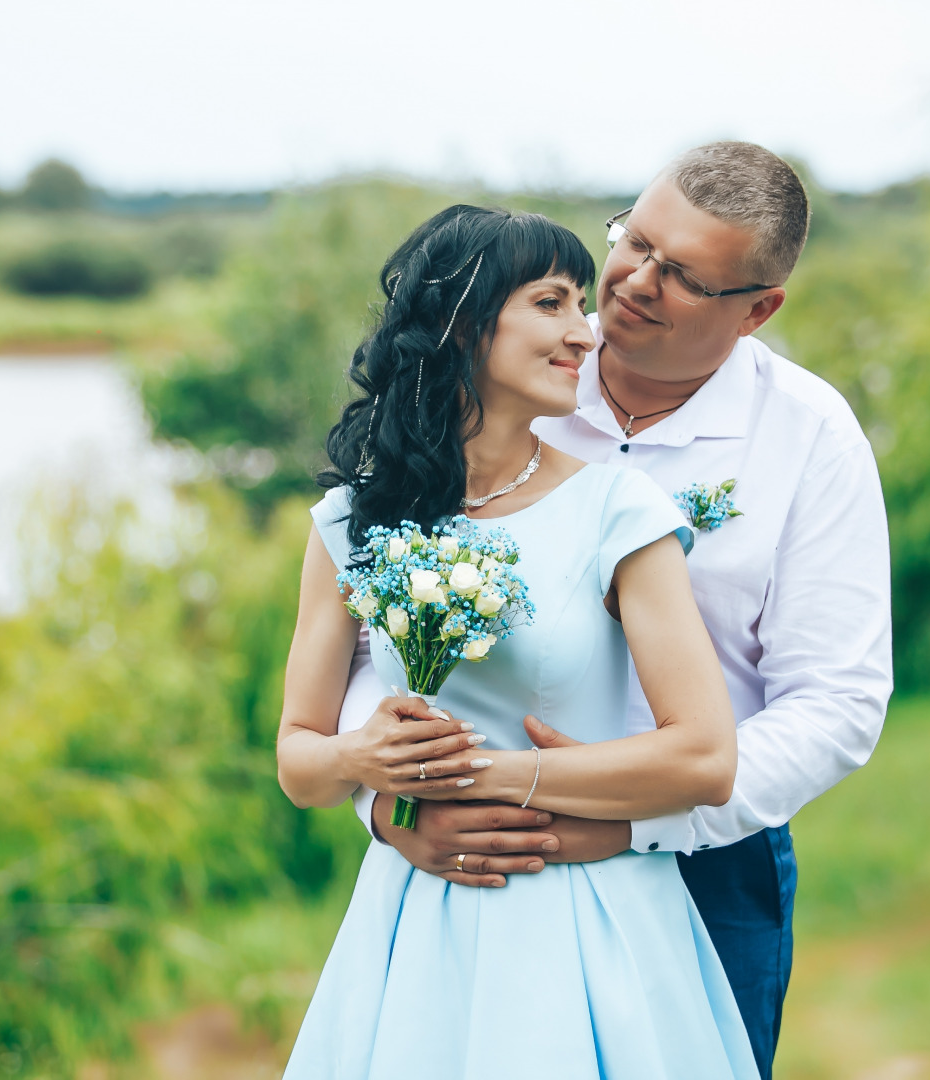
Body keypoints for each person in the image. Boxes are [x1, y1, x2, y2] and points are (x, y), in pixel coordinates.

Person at [333, 142, 893, 1079]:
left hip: (705, 865)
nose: (633, 282)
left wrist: (636, 821)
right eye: (634, 240)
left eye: (684, 277)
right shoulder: (507, 380)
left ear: (757, 310)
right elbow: (369, 632)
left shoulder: (810, 437)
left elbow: (835, 702)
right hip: (469, 853)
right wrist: (390, 799)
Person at [277, 205, 760, 1078]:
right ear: (462, 324)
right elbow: (298, 761)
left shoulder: (621, 513)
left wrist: (486, 777)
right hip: (420, 921)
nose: (585, 335)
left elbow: (705, 757)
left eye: (581, 305)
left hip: (588, 919)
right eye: (551, 304)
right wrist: (369, 763)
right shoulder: (350, 522)